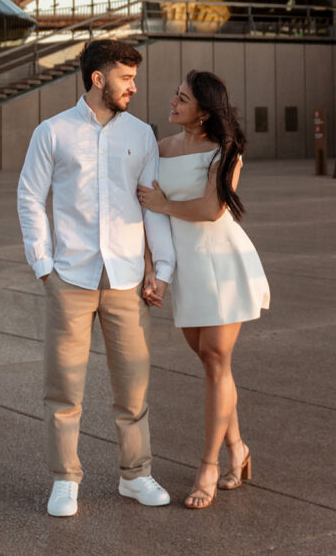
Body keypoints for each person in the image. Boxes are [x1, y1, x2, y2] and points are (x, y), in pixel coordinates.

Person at [17, 38, 175, 517]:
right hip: (71, 277)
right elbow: (29, 197)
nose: (133, 86)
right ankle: (65, 479)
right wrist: (44, 265)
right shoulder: (53, 132)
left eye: (134, 77)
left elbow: (151, 205)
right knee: (64, 387)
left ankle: (136, 475)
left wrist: (161, 269)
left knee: (134, 385)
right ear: (97, 79)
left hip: (126, 279)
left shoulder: (141, 135)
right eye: (125, 78)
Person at [138, 70, 270, 510]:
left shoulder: (226, 151)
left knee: (215, 359)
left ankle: (208, 465)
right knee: (214, 364)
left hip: (225, 264)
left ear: (204, 112)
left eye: (182, 99)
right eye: (175, 96)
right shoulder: (161, 150)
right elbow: (148, 215)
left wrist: (164, 204)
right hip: (189, 268)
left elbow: (213, 209)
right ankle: (239, 448)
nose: (173, 103)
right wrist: (152, 266)